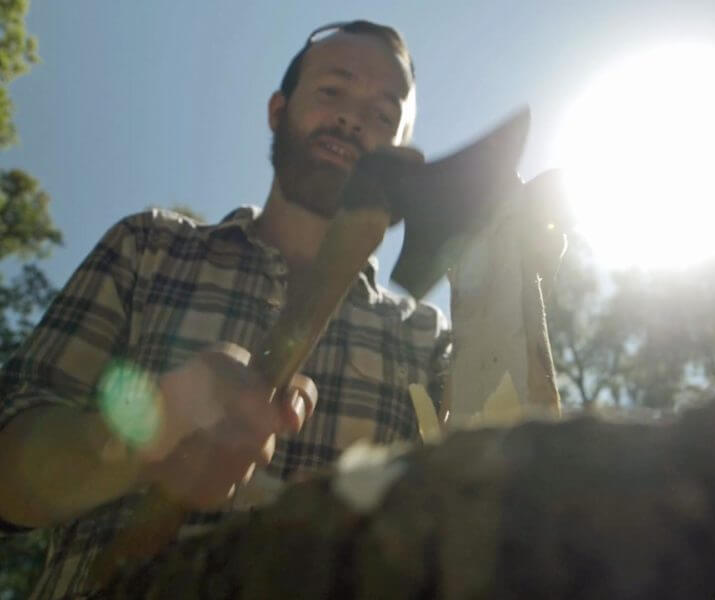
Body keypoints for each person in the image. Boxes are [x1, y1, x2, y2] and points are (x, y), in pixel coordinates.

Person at [0, 20, 450, 598]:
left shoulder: (424, 338)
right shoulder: (149, 248)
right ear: (277, 110)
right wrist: (145, 436)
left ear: (403, 155)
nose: (352, 118)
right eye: (332, 91)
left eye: (384, 115)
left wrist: (503, 286)